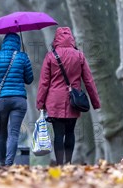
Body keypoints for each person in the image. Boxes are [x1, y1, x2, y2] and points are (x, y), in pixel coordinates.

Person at [36, 27, 100, 165]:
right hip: (73, 101)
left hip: (54, 101)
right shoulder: (79, 55)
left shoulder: (51, 56)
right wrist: (95, 102)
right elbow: (89, 81)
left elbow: (44, 83)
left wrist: (40, 103)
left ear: (56, 39)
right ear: (71, 39)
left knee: (58, 134)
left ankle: (59, 164)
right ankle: (69, 163)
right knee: (70, 132)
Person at [0, 33, 34, 166]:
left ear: (4, 43)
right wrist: (24, 61)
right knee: (14, 133)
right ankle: (9, 163)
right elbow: (29, 79)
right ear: (18, 43)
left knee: (2, 134)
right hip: (19, 100)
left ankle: (2, 164)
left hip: (1, 101)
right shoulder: (22, 57)